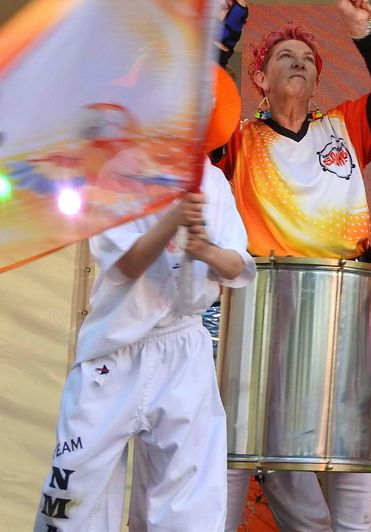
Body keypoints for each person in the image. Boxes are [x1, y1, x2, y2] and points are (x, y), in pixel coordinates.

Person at [218, 0, 371, 532]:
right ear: (260, 77)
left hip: (343, 311)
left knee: (350, 451)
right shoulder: (241, 140)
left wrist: (361, 27)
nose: (298, 63)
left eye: (307, 58)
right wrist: (226, 29)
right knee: (243, 451)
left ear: (318, 79)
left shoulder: (343, 128)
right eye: (284, 56)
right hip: (261, 314)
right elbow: (198, 104)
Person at [35, 72, 255, 532]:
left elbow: (236, 265)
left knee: (188, 505)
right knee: (74, 496)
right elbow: (128, 264)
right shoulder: (120, 173)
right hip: (115, 350)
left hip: (184, 351)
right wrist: (173, 217)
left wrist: (204, 251)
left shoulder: (214, 183)